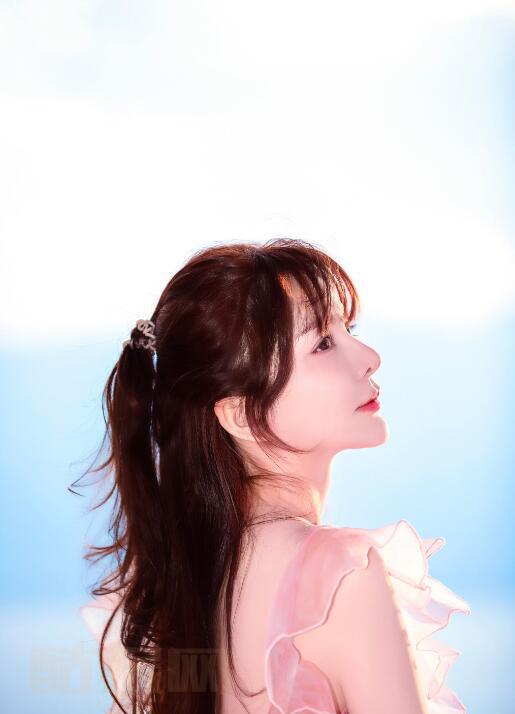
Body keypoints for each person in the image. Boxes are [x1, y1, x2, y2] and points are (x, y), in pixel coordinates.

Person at [74, 237, 471, 713]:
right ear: (240, 414)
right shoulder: (338, 576)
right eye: (323, 343)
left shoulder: (189, 582)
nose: (369, 356)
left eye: (348, 329)